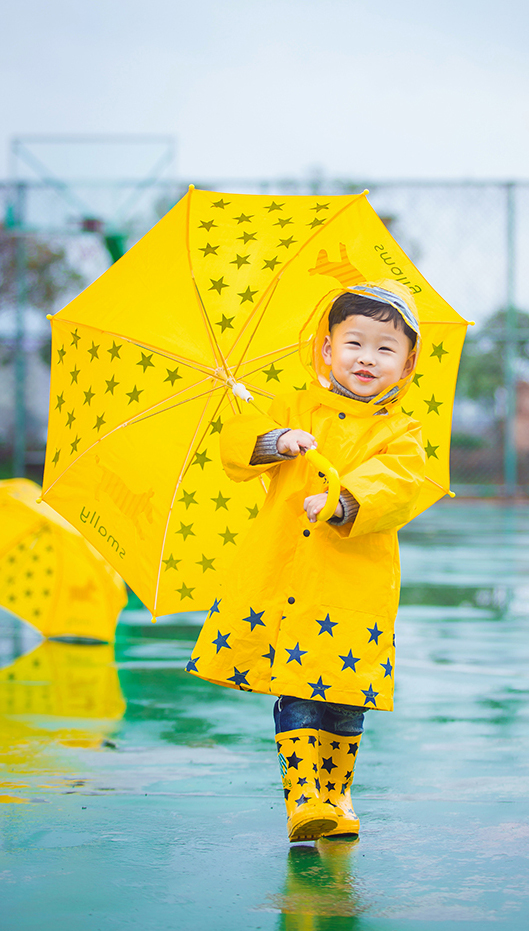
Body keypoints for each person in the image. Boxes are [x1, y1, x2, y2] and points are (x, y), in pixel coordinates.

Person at [187, 279, 426, 842]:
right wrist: (276, 440)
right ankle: (303, 800)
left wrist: (346, 500)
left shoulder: (401, 430)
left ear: (407, 362)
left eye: (385, 349)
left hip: (352, 587)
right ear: (326, 348)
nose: (367, 358)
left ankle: (337, 797)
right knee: (296, 688)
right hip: (292, 576)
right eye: (354, 344)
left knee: (345, 699)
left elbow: (401, 482)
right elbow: (237, 444)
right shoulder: (295, 408)